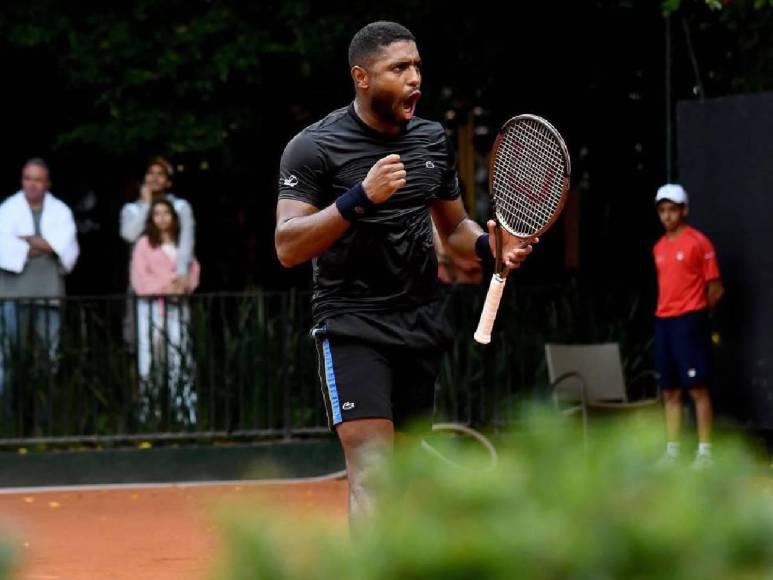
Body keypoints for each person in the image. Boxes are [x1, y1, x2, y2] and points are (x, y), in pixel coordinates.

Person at [275, 21, 534, 521]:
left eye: (417, 66)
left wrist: (491, 247)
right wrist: (358, 198)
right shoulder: (313, 147)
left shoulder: (431, 139)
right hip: (351, 324)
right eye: (398, 68)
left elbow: (454, 229)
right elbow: (287, 246)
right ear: (362, 77)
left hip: (418, 322)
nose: (414, 78)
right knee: (373, 471)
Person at [653, 183, 724, 469]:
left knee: (697, 388)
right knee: (669, 391)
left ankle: (705, 453)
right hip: (664, 322)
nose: (667, 216)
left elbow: (716, 288)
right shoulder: (658, 247)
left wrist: (698, 316)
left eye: (672, 210)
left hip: (690, 322)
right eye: (662, 210)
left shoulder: (699, 242)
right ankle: (672, 453)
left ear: (684, 210)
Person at [0, 158, 79, 395]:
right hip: (11, 295)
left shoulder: (60, 211)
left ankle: (44, 410)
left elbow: (63, 246)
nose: (32, 184)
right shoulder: (7, 209)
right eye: (27, 179)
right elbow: (3, 247)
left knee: (48, 358)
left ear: (47, 183)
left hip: (49, 293)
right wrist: (44, 245)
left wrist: (25, 240)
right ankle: (8, 411)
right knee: (9, 356)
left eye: (38, 179)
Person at [130, 198, 200, 426]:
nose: (161, 218)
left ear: (173, 217)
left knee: (180, 358)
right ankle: (149, 414)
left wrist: (183, 286)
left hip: (177, 308)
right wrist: (167, 287)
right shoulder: (143, 244)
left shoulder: (182, 244)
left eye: (166, 213)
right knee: (149, 361)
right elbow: (139, 279)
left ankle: (185, 414)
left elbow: (193, 271)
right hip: (150, 309)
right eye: (156, 213)